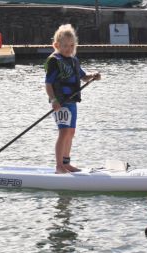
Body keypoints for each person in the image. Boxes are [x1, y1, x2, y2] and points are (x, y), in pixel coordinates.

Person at [44, 24, 101, 174]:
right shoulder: (54, 61)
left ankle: (66, 163)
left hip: (72, 102)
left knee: (71, 132)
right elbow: (48, 84)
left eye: (71, 45)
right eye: (65, 46)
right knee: (63, 132)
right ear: (56, 45)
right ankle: (58, 166)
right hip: (60, 102)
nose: (69, 49)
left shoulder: (73, 60)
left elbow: (83, 77)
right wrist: (53, 100)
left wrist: (93, 76)